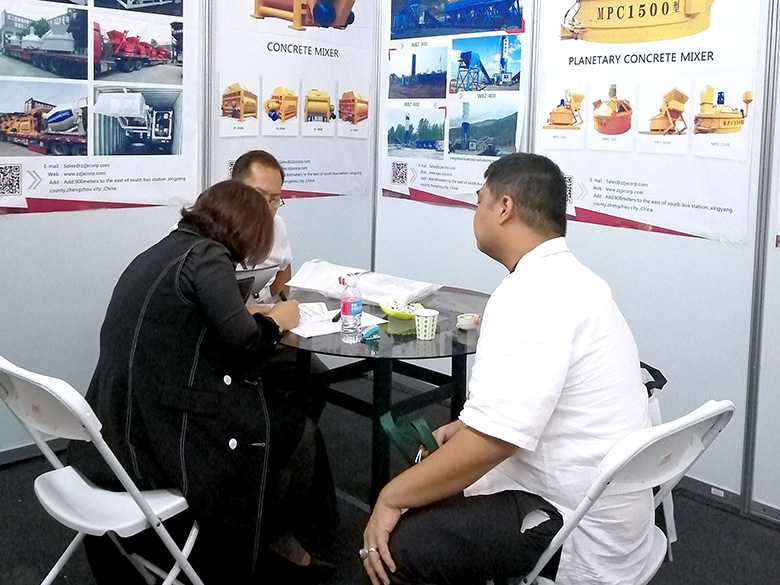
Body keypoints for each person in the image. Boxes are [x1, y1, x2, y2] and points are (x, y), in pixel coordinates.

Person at [362, 153, 654, 585]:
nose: (475, 212)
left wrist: (390, 498)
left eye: (479, 199)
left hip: (571, 526)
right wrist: (470, 426)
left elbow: (491, 445)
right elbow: (531, 404)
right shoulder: (580, 282)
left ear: (504, 208)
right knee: (442, 476)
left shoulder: (529, 295)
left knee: (398, 549)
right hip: (617, 518)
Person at [69, 180, 337, 584]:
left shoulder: (166, 249)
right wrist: (277, 322)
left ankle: (267, 527)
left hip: (114, 427)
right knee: (298, 433)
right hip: (157, 438)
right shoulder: (208, 257)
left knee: (271, 409)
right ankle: (280, 544)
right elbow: (247, 348)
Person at [232, 149, 291, 303]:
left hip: (264, 313)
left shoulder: (277, 226)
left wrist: (281, 304)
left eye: (274, 200)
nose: (266, 208)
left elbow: (283, 267)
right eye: (258, 196)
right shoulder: (203, 231)